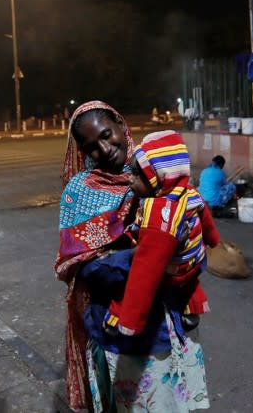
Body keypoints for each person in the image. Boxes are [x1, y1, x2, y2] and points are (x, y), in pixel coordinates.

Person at [91, 130, 220, 412]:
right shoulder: (188, 192)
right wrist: (212, 241)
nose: (130, 180)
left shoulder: (159, 217)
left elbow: (144, 273)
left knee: (128, 295)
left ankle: (121, 319)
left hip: (173, 275)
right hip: (192, 265)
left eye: (138, 176)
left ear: (157, 180)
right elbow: (206, 219)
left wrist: (130, 321)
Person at [56, 101, 135, 412]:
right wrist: (131, 255)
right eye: (91, 147)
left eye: (106, 134)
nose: (104, 149)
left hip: (158, 314)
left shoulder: (154, 169)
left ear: (119, 124)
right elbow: (78, 267)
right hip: (108, 316)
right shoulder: (79, 192)